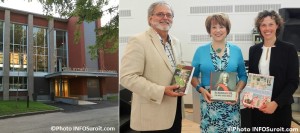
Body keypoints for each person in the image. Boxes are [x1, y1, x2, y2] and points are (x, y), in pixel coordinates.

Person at [120, 1, 184, 132]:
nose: (165, 18)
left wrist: (184, 78)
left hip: (175, 112)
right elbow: (127, 77)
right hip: (152, 115)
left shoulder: (176, 42)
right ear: (150, 19)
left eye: (169, 15)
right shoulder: (138, 41)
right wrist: (161, 90)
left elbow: (176, 70)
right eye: (160, 14)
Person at [241, 10, 299, 131]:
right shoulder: (254, 50)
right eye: (263, 25)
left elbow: (293, 82)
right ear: (259, 28)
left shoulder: (289, 49)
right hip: (258, 106)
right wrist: (249, 99)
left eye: (271, 24)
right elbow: (253, 78)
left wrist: (275, 103)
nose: (267, 28)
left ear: (277, 25)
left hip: (280, 107)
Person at [191, 12, 247, 132]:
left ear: (227, 29)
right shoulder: (200, 51)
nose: (218, 30)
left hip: (231, 104)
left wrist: (237, 91)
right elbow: (193, 76)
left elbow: (243, 76)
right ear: (209, 30)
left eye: (221, 26)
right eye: (214, 27)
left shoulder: (236, 51)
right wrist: (201, 90)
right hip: (209, 104)